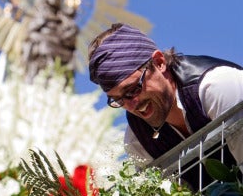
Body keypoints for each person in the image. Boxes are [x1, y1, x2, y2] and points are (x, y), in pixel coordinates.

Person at [88, 23, 243, 190]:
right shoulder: (137, 140)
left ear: (159, 62)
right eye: (118, 100)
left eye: (133, 89)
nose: (131, 105)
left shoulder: (218, 86)